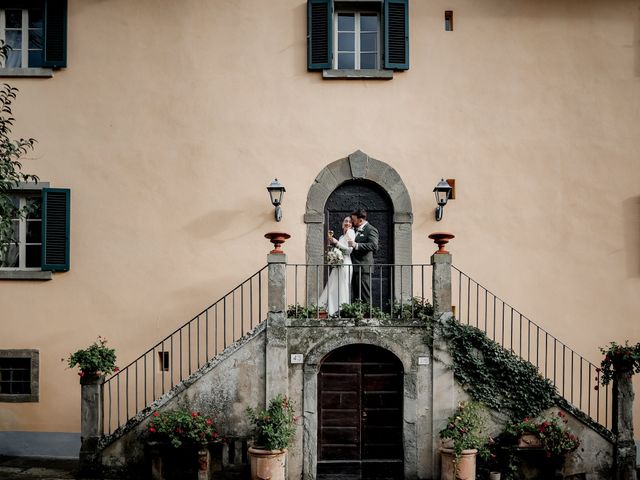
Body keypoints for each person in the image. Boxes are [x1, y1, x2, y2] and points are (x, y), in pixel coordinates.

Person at [318, 216, 356, 315]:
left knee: (342, 288)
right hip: (338, 264)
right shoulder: (341, 237)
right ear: (342, 223)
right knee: (333, 287)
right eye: (346, 221)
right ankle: (331, 311)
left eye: (350, 222)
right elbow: (340, 248)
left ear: (352, 225)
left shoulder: (350, 233)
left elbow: (349, 250)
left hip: (345, 264)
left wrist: (336, 242)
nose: (348, 223)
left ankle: (342, 311)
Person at [348, 208, 379, 305]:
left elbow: (374, 246)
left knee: (365, 294)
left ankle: (367, 316)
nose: (352, 221)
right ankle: (357, 314)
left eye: (354, 220)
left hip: (364, 267)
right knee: (356, 294)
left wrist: (356, 245)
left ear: (360, 220)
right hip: (355, 266)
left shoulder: (371, 229)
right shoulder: (354, 230)